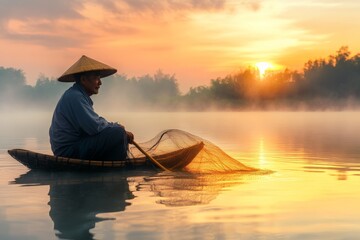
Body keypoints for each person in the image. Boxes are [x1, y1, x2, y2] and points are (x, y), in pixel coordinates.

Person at [49, 55, 134, 161]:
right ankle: (116, 167)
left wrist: (115, 127)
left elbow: (92, 125)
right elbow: (94, 126)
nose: (100, 82)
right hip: (68, 151)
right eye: (96, 78)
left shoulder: (76, 95)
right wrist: (119, 128)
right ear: (83, 79)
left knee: (117, 131)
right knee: (118, 133)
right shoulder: (75, 96)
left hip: (72, 147)